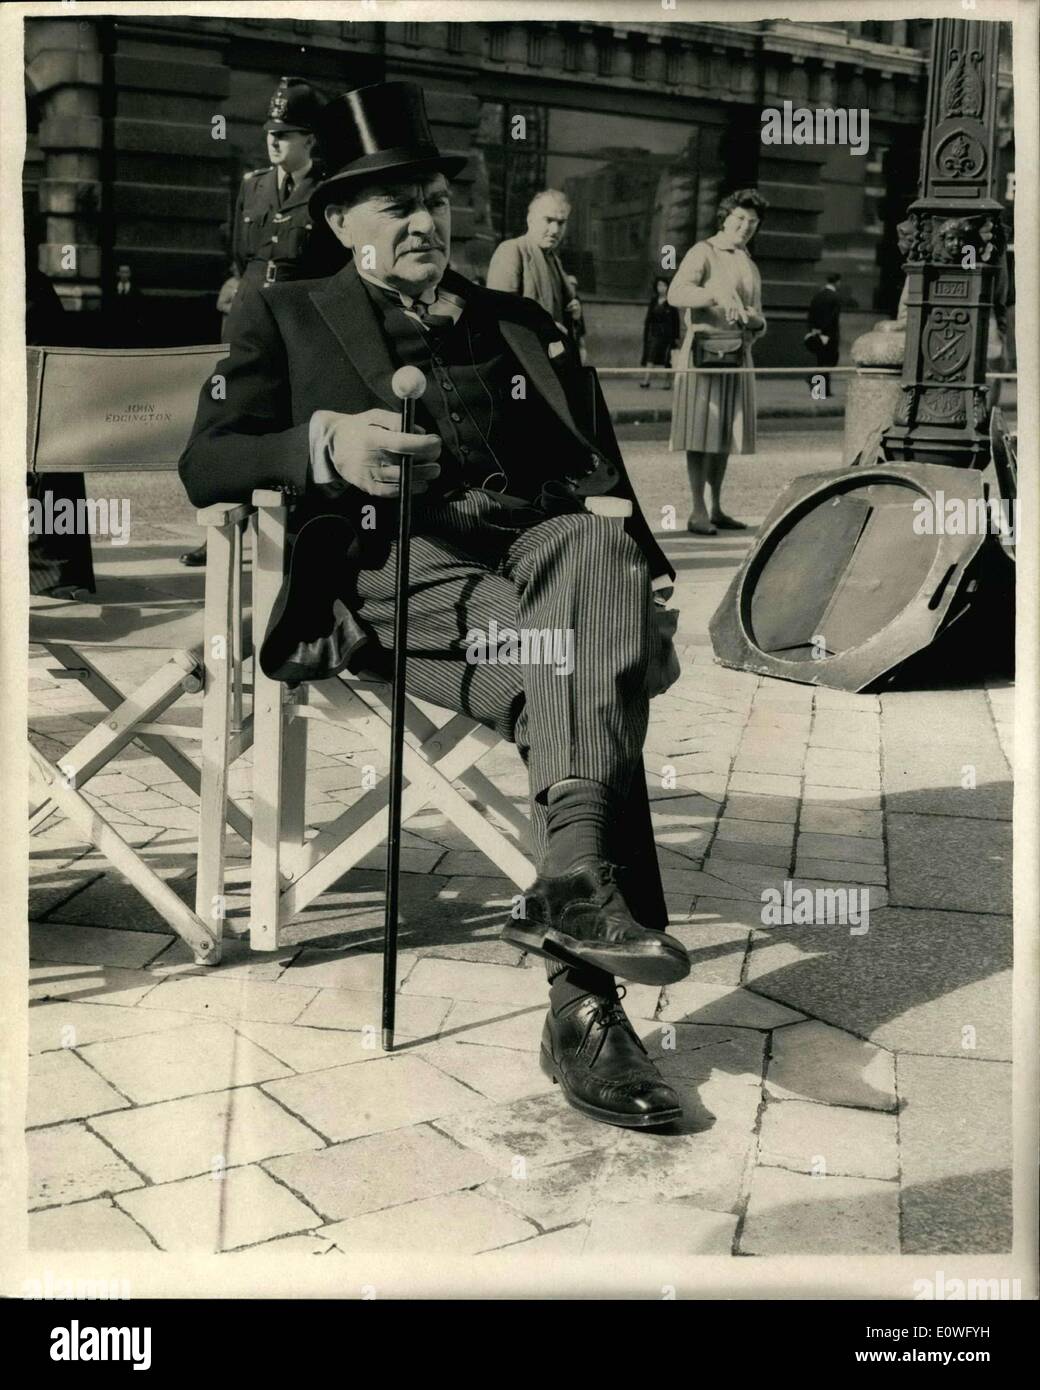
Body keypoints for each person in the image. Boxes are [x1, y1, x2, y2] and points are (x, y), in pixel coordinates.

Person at [180, 81, 692, 1131]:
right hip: (396, 577)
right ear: (336, 221)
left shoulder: (515, 321)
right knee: (591, 679)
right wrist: (328, 444)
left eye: (430, 197)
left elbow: (596, 463)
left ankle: (572, 925)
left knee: (593, 577)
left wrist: (652, 580)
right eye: (389, 203)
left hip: (545, 563)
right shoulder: (280, 312)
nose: (421, 219)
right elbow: (206, 459)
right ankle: (583, 1012)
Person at [181, 76, 347, 567]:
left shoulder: (329, 190)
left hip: (300, 316)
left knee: (286, 418)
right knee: (232, 413)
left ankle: (290, 528)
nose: (274, 140)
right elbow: (238, 252)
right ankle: (224, 524)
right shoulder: (253, 185)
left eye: (287, 133)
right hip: (250, 310)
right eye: (271, 131)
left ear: (310, 139)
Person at [668, 189, 768, 535]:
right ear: (724, 217)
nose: (745, 227)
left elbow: (759, 315)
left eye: (753, 222)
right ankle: (697, 510)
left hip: (737, 354)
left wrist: (754, 319)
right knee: (700, 432)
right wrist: (713, 295)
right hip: (705, 355)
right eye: (739, 219)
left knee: (724, 433)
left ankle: (716, 507)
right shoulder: (704, 251)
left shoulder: (749, 261)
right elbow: (676, 293)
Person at [486, 190, 585, 353]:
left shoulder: (554, 259)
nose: (555, 230)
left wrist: (574, 314)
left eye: (561, 223)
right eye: (548, 220)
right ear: (530, 219)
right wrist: (543, 327)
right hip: (521, 362)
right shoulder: (511, 251)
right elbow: (499, 313)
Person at [804, 271, 842, 397]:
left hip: (816, 334)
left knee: (822, 362)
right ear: (837, 282)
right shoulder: (835, 297)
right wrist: (824, 329)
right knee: (829, 362)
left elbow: (810, 315)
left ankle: (822, 391)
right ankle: (813, 379)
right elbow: (833, 318)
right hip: (829, 335)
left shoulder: (818, 296)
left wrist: (814, 329)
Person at [640, 276, 681, 388]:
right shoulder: (654, 301)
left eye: (663, 285)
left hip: (668, 335)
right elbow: (649, 318)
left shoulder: (671, 301)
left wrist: (676, 337)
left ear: (668, 287)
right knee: (651, 356)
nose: (661, 288)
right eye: (659, 285)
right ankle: (646, 380)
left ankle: (668, 382)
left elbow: (676, 320)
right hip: (655, 333)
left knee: (668, 359)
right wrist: (647, 331)